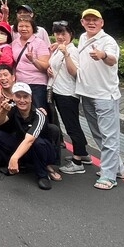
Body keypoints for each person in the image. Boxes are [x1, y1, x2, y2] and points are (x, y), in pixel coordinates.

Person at [74, 8, 124, 190]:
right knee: (97, 133)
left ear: (101, 23)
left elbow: (112, 59)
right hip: (87, 93)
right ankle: (117, 168)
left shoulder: (108, 41)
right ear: (82, 22)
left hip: (105, 96)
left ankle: (108, 176)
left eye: (94, 20)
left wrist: (103, 55)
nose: (91, 23)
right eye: (87, 19)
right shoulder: (82, 38)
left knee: (109, 135)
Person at [0, 81, 61, 190]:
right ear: (13, 97)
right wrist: (3, 110)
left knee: (37, 143)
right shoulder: (13, 109)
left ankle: (42, 174)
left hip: (43, 149)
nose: (22, 100)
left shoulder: (39, 114)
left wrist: (14, 157)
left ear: (31, 98)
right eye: (18, 96)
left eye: (25, 97)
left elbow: (30, 140)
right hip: (24, 145)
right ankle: (19, 165)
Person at [48, 21, 92, 175]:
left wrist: (66, 54)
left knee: (71, 126)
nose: (60, 36)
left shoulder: (72, 51)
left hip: (67, 94)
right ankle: (84, 154)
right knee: (73, 124)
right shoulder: (58, 49)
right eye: (57, 33)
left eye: (63, 33)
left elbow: (74, 73)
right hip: (60, 92)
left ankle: (77, 160)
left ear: (71, 35)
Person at [9, 16, 50, 111]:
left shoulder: (39, 43)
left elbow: (45, 66)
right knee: (22, 113)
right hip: (20, 84)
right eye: (21, 26)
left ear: (33, 28)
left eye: (27, 26)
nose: (24, 29)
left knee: (39, 111)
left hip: (37, 84)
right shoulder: (14, 43)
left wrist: (33, 60)